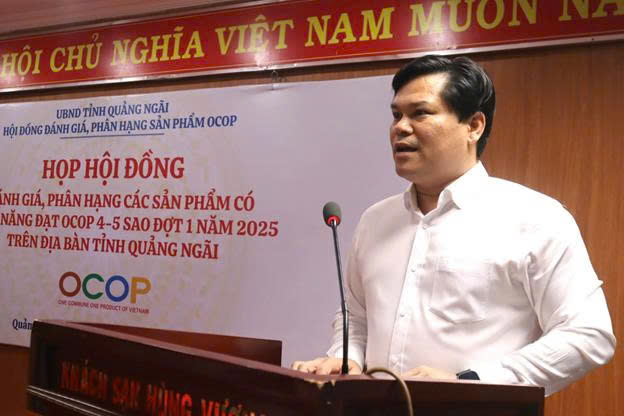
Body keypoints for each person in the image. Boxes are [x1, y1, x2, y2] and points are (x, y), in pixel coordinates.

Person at [292, 55, 616, 395]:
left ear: (473, 126)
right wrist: (346, 358)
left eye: (420, 113)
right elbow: (357, 318)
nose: (400, 127)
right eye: (396, 115)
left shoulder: (535, 218)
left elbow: (588, 335)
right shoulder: (375, 221)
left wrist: (471, 382)